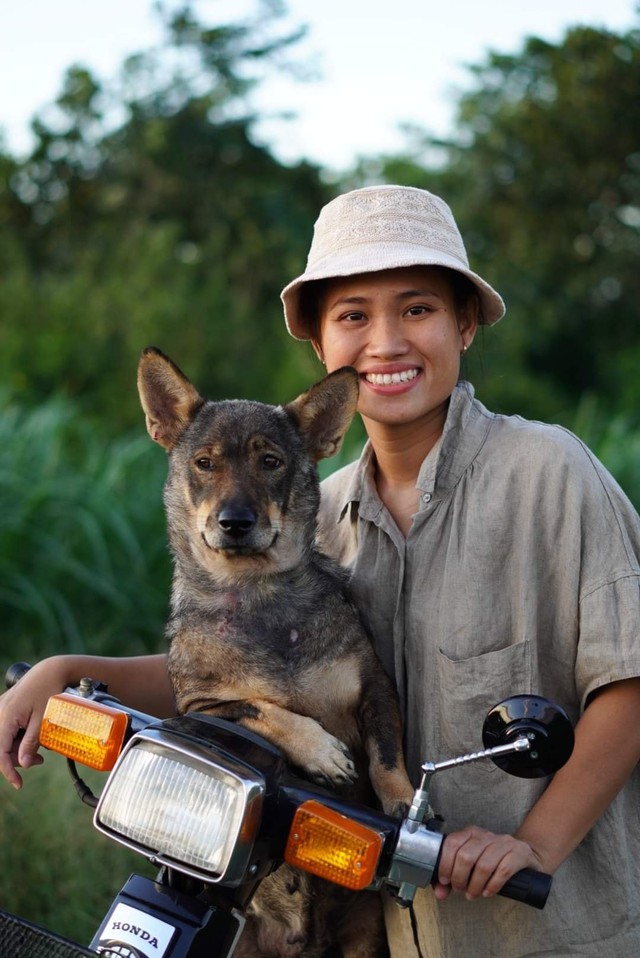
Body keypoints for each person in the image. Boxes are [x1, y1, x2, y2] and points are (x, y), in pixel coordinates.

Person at [2, 184, 640, 958]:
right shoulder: (311, 511)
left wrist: (532, 846)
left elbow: (628, 682)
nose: (386, 342)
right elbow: (234, 676)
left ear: (465, 323)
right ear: (320, 346)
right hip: (365, 926)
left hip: (536, 924)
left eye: (417, 309)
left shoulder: (547, 473)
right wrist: (62, 671)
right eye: (352, 316)